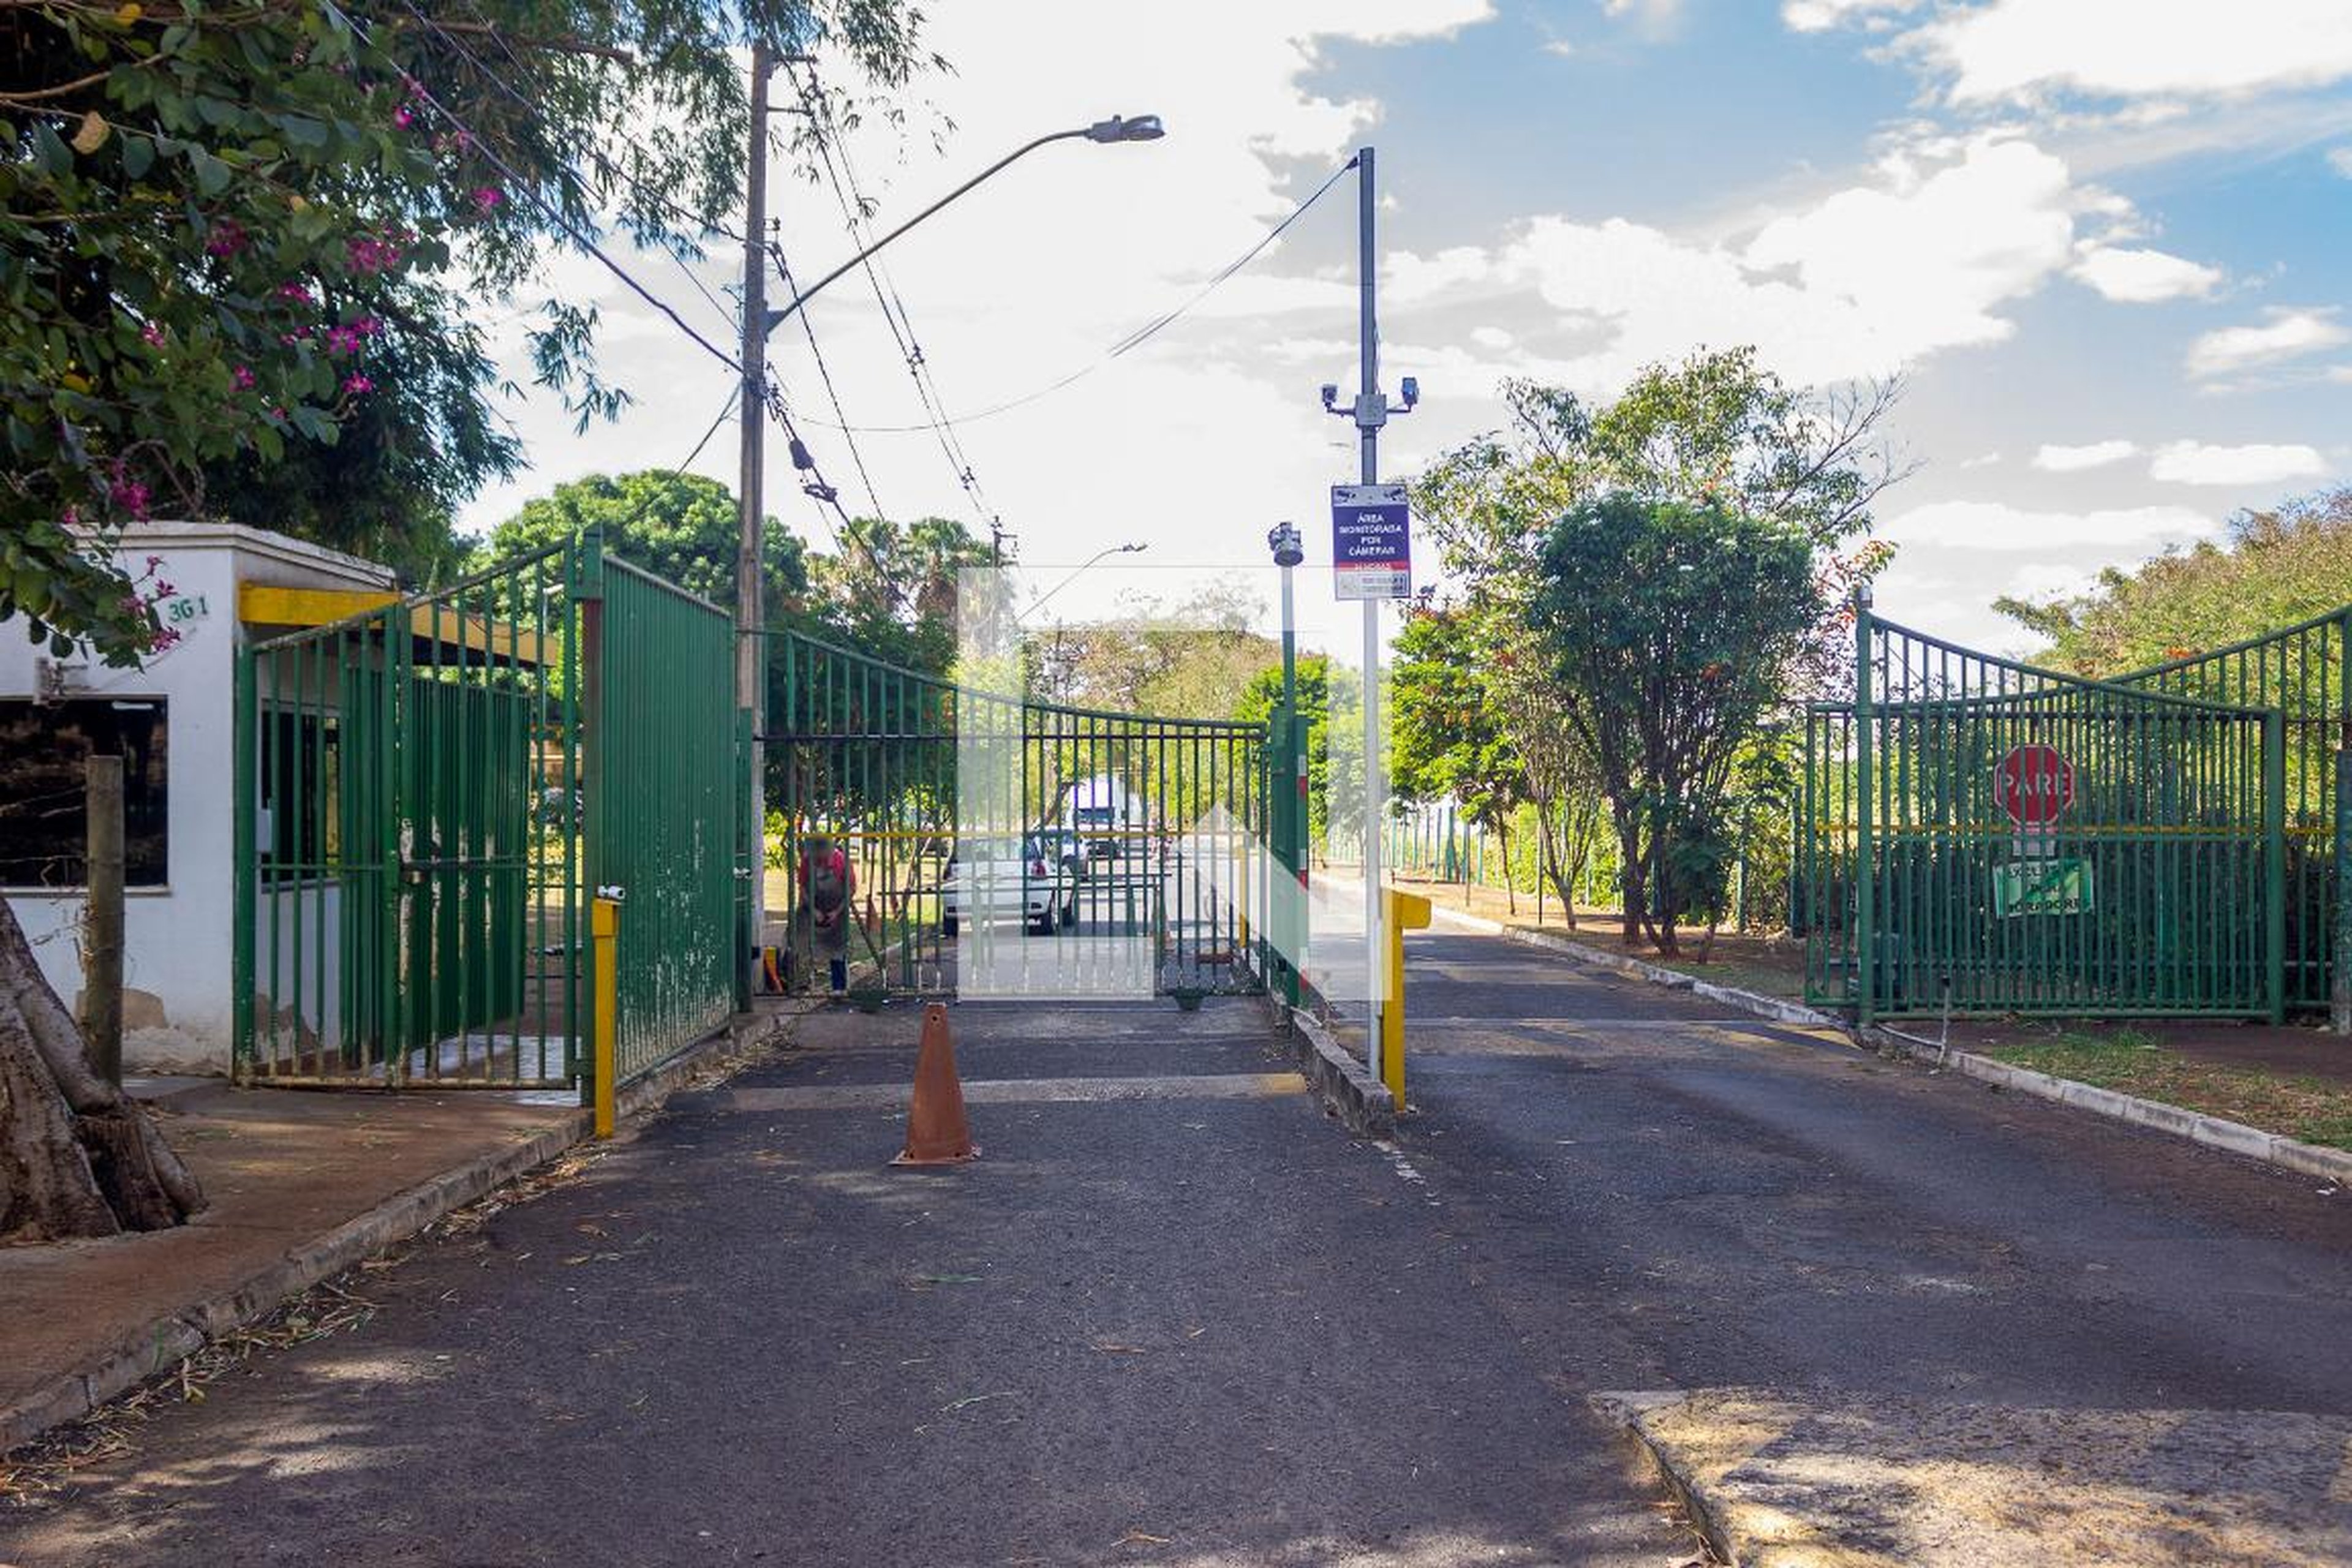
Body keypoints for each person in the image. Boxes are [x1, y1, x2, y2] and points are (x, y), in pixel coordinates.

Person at [800, 834, 854, 993]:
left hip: (836, 906)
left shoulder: (842, 861)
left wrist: (837, 912)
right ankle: (805, 983)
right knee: (803, 944)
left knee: (837, 948)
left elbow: (850, 890)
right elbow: (803, 888)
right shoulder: (807, 861)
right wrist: (813, 910)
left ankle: (839, 987)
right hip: (813, 905)